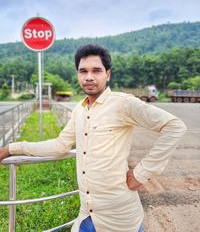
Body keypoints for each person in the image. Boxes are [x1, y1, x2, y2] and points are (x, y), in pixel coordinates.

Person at [0, 44, 186, 232]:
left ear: (108, 74)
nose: (89, 76)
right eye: (83, 71)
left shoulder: (123, 103)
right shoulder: (79, 110)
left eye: (96, 70)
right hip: (87, 216)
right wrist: (11, 148)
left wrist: (141, 173)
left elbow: (174, 126)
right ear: (78, 75)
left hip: (120, 220)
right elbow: (59, 145)